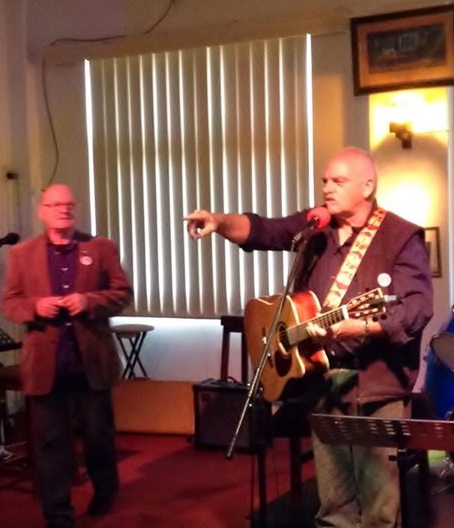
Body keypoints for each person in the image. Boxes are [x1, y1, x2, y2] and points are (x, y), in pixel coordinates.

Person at [184, 147, 433, 528]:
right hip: (321, 381)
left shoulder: (400, 236)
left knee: (380, 512)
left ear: (367, 186)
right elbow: (263, 229)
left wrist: (366, 327)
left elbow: (417, 308)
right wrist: (218, 222)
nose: (327, 188)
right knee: (333, 507)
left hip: (376, 386)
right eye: (324, 180)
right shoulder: (316, 228)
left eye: (338, 181)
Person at [1, 183, 133, 528]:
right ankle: (57, 513)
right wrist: (35, 307)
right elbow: (10, 303)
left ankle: (105, 488)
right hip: (47, 365)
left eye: (69, 205)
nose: (64, 210)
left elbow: (122, 294)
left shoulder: (101, 248)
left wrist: (89, 301)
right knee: (49, 445)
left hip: (90, 360)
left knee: (97, 435)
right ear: (42, 210)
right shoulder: (21, 254)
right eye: (55, 204)